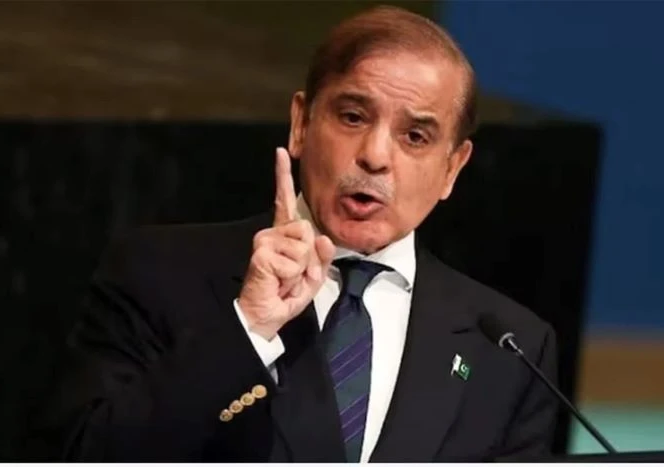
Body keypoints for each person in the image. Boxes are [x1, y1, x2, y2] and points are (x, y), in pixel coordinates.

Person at [33, 5, 558, 462]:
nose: (375, 156)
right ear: (302, 123)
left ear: (452, 168)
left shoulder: (509, 349)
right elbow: (84, 455)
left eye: (415, 136)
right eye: (352, 117)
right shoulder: (158, 273)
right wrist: (248, 327)